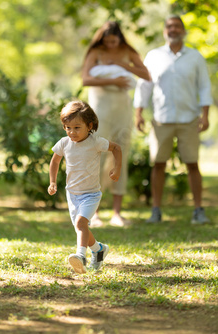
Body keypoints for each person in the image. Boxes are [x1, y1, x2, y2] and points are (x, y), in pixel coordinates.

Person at [133, 15, 213, 224]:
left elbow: (204, 86)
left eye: (177, 26)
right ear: (164, 31)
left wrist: (205, 115)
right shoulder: (154, 56)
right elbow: (144, 86)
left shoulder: (195, 57)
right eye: (169, 26)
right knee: (158, 164)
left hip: (189, 119)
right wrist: (139, 112)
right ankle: (156, 210)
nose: (173, 29)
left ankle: (198, 210)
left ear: (184, 31)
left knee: (192, 164)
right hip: (161, 119)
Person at [81, 21, 150, 227]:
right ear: (102, 39)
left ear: (120, 38)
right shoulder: (95, 52)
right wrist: (112, 80)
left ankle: (117, 213)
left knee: (120, 155)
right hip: (100, 110)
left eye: (114, 41)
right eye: (107, 41)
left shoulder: (127, 51)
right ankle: (95, 213)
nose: (111, 45)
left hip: (122, 109)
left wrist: (122, 66)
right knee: (98, 156)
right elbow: (85, 79)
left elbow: (146, 74)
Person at [48, 100, 122, 274]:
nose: (71, 132)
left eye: (76, 127)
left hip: (91, 194)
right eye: (67, 127)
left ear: (89, 126)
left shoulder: (95, 142)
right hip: (72, 194)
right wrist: (52, 181)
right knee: (81, 227)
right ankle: (99, 250)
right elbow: (55, 161)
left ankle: (80, 256)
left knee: (81, 223)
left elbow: (116, 148)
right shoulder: (64, 143)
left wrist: (116, 168)